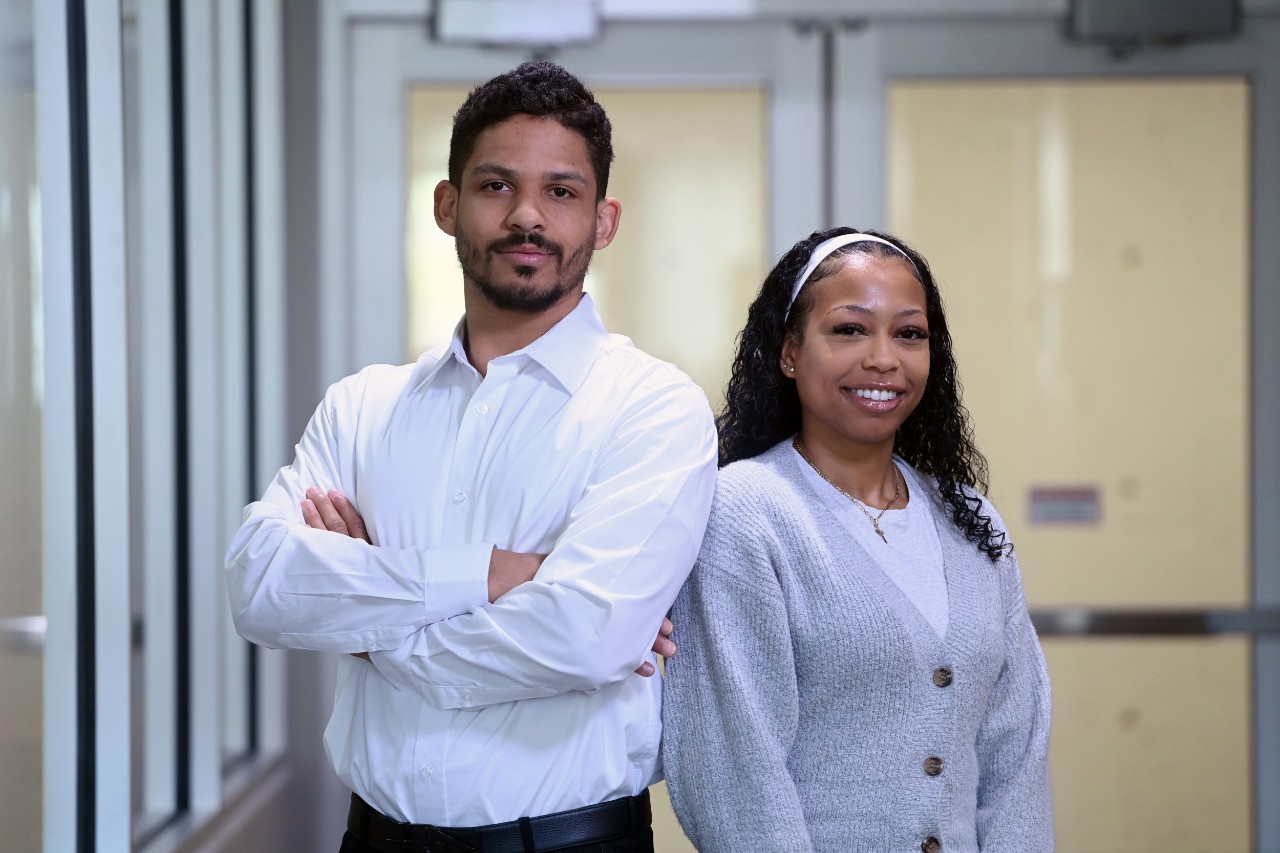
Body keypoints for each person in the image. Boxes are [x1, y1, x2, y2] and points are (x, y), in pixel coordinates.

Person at [225, 61, 717, 852]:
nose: (528, 216)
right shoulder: (364, 407)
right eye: (496, 185)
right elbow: (259, 585)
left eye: (561, 191)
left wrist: (362, 622)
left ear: (605, 220)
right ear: (447, 206)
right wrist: (485, 574)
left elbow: (583, 635)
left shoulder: (652, 408)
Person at [661, 227, 1053, 852]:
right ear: (790, 351)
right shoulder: (746, 512)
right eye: (849, 329)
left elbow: (1017, 752)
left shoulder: (970, 517)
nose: (883, 359)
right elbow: (734, 771)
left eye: (909, 333)